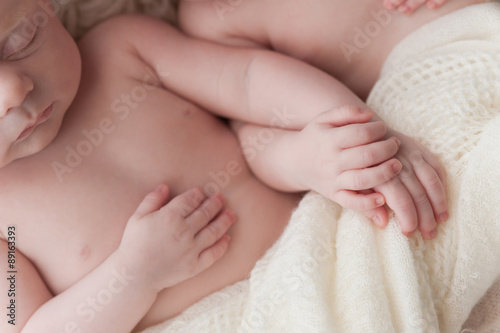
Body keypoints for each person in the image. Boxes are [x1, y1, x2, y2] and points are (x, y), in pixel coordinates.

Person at [0, 0, 407, 331]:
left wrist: (349, 126)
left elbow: (245, 79)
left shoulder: (122, 49)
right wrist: (135, 275)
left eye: (20, 39)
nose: (14, 91)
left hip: (328, 249)